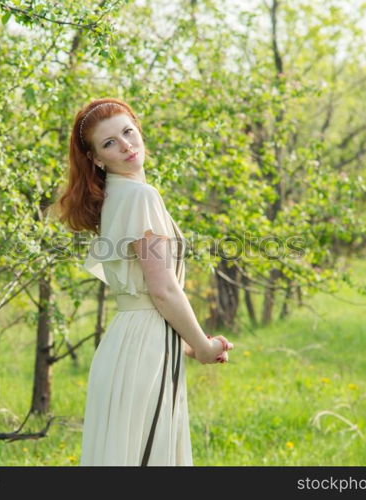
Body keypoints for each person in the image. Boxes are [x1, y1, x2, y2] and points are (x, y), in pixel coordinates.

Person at [52, 98, 234, 466]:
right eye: (109, 143)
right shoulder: (140, 195)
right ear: (98, 160)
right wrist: (202, 344)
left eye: (127, 131)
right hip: (146, 350)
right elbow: (162, 290)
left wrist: (181, 342)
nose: (126, 145)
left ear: (138, 130)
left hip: (129, 343)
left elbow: (141, 291)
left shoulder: (115, 197)